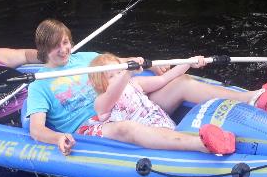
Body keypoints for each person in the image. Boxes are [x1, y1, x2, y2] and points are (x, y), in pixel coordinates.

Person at [27, 19, 267, 155]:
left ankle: (252, 99)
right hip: (92, 125)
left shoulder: (86, 57)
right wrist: (57, 138)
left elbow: (124, 65)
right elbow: (37, 130)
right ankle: (203, 143)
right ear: (44, 49)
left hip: (124, 102)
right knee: (127, 128)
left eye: (66, 42)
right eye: (57, 45)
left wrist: (156, 65)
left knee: (181, 83)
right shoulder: (39, 84)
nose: (64, 49)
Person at [80, 53, 234, 153]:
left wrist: (188, 63)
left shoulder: (135, 82)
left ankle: (218, 138)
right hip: (143, 133)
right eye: (111, 76)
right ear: (100, 84)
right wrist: (127, 72)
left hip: (158, 121)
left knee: (171, 132)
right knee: (170, 138)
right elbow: (114, 92)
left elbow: (164, 79)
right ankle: (203, 145)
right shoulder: (101, 102)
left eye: (119, 72)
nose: (118, 76)